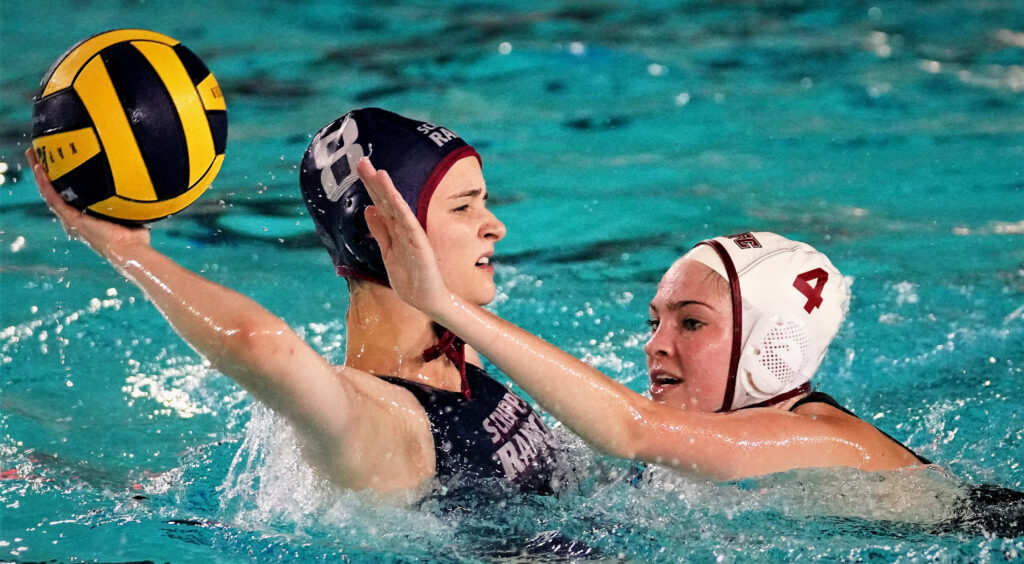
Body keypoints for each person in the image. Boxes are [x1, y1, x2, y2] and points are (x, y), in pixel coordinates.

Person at [26, 107, 566, 498]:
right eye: (463, 208)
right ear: (384, 233)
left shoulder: (454, 355)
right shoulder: (377, 422)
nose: (494, 226)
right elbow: (260, 346)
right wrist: (126, 251)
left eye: (483, 203)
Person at [357, 158, 933, 482]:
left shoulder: (811, 438)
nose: (655, 346)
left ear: (770, 348)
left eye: (692, 324)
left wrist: (443, 303)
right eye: (656, 320)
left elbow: (628, 430)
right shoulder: (727, 428)